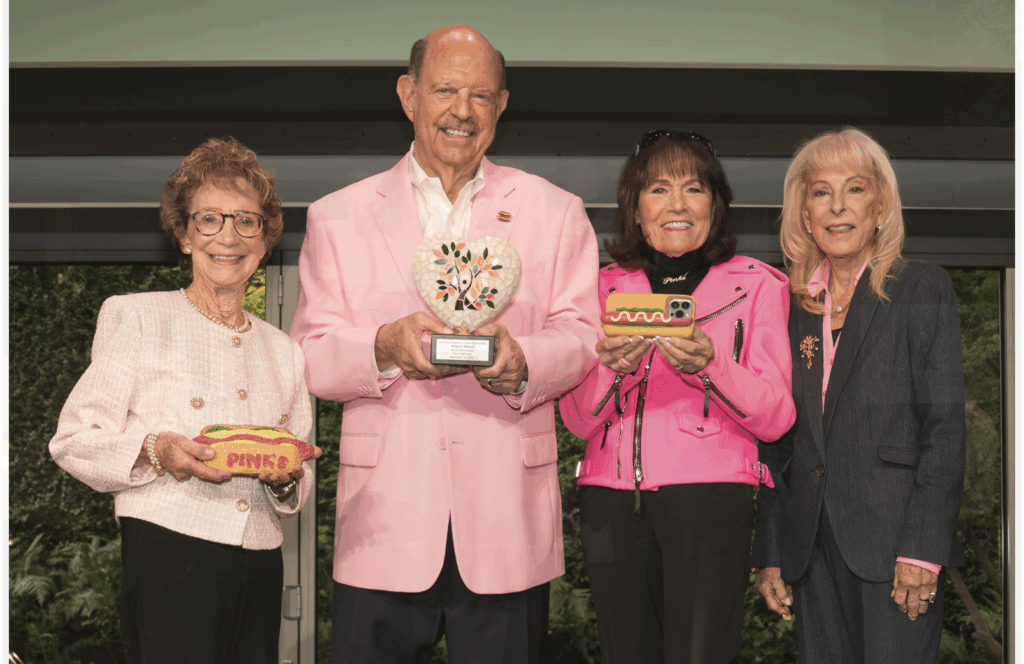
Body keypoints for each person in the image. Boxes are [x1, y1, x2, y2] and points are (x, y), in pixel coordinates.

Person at [288, 25, 600, 664]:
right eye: (446, 90)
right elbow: (312, 353)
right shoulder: (336, 216)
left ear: (502, 106)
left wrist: (523, 362)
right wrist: (383, 345)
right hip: (383, 522)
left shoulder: (556, 211)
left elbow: (584, 335)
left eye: (481, 95)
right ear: (407, 95)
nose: (463, 110)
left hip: (508, 522)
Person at [49, 137, 321, 664]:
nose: (229, 236)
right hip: (169, 552)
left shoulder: (286, 352)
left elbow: (300, 468)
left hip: (262, 560)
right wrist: (157, 450)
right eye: (210, 219)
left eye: (247, 221)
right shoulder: (137, 316)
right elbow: (74, 441)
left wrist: (288, 477)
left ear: (265, 241)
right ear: (184, 235)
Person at [558, 130, 796, 664]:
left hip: (711, 498)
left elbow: (778, 415)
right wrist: (613, 372)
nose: (677, 205)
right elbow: (575, 420)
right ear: (636, 208)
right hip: (610, 500)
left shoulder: (759, 285)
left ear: (715, 203)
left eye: (694, 188)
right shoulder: (598, 289)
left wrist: (713, 366)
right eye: (658, 189)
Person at [752, 127, 966, 663]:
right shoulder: (791, 304)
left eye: (855, 188)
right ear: (804, 213)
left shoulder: (921, 288)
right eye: (821, 192)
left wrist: (922, 546)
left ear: (881, 206)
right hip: (811, 549)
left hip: (898, 548)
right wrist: (772, 551)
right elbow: (777, 440)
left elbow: (944, 430)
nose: (837, 206)